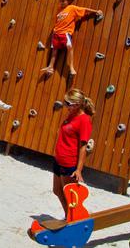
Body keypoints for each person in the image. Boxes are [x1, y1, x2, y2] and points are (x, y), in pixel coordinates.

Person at [41, 0, 102, 79]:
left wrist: (96, 11)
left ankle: (71, 67)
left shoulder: (72, 8)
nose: (61, 3)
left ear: (68, 1)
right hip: (56, 33)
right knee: (54, 51)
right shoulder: (59, 9)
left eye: (63, 1)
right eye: (60, 1)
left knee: (69, 47)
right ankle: (50, 66)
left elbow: (83, 9)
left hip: (65, 33)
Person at [53, 89, 94, 218]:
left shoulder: (84, 120)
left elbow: (83, 147)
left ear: (76, 105)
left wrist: (79, 169)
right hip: (59, 159)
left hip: (69, 163)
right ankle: (68, 216)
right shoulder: (71, 114)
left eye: (68, 103)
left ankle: (72, 218)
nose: (65, 106)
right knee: (57, 190)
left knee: (70, 196)